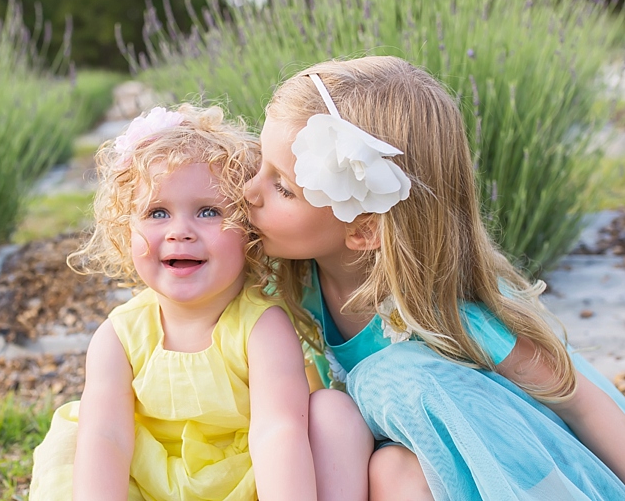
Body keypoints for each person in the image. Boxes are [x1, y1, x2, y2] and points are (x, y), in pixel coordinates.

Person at [245, 56, 625, 501]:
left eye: (282, 188)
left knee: (392, 398)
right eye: (260, 167)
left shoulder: (451, 310)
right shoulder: (296, 275)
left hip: (513, 468)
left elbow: (575, 397)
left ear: (364, 228)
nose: (250, 191)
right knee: (383, 462)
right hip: (400, 460)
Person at [29, 104, 370, 501]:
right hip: (148, 485)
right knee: (76, 439)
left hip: (243, 483)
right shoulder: (119, 336)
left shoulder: (261, 326)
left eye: (208, 211)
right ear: (126, 233)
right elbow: (108, 438)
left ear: (248, 231)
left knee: (333, 413)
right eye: (157, 212)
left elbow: (278, 431)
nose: (180, 232)